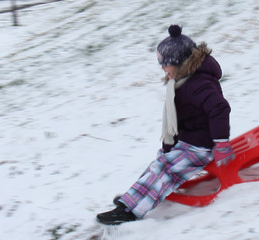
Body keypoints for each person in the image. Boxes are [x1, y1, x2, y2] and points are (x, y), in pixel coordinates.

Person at [97, 25, 233, 224]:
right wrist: (169, 148)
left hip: (202, 146)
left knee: (166, 169)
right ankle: (133, 199)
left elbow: (219, 108)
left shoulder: (199, 84)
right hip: (188, 141)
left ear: (179, 63)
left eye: (165, 64)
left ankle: (130, 211)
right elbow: (179, 118)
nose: (162, 68)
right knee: (159, 163)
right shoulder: (181, 82)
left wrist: (221, 143)